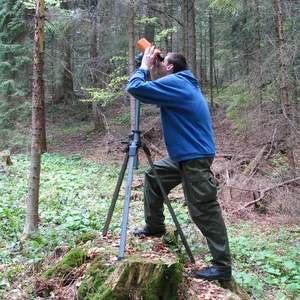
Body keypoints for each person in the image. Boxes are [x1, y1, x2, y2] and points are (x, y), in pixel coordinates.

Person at [126, 45, 232, 281]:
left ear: (171, 67)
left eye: (161, 62)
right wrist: (148, 68)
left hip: (193, 157)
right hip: (183, 155)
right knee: (154, 177)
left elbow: (135, 88)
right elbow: (149, 91)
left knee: (203, 210)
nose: (158, 63)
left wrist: (144, 67)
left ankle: (222, 267)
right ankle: (155, 226)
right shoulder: (180, 83)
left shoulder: (177, 83)